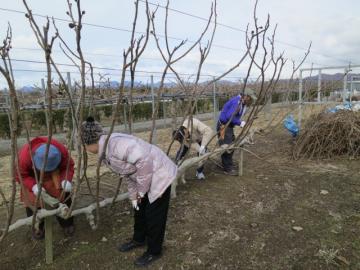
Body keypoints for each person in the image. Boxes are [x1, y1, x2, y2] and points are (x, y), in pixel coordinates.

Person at [81, 117, 177, 267]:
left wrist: (141, 192)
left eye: (83, 145)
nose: (84, 148)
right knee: (138, 208)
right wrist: (135, 196)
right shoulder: (105, 150)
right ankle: (139, 239)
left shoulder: (117, 145)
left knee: (154, 215)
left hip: (159, 174)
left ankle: (154, 251)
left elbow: (144, 162)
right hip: (144, 178)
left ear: (88, 143)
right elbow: (127, 173)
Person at [16, 137, 75, 239]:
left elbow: (68, 166)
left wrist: (66, 179)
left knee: (62, 195)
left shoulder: (61, 150)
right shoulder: (24, 157)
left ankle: (67, 223)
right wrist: (33, 185)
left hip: (55, 174)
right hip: (32, 176)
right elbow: (20, 175)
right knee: (32, 201)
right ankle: (38, 227)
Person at [217, 90, 255, 175]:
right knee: (227, 146)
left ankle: (228, 164)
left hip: (228, 127)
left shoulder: (241, 103)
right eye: (250, 99)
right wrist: (240, 123)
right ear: (246, 96)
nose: (251, 102)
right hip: (224, 127)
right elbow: (229, 116)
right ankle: (227, 169)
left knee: (232, 145)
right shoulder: (236, 102)